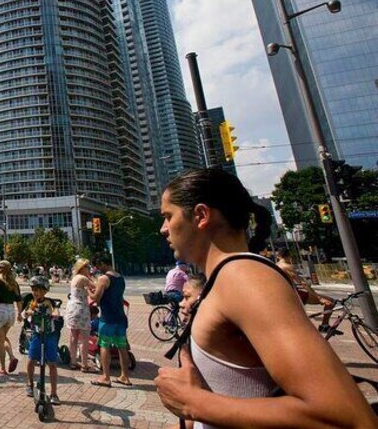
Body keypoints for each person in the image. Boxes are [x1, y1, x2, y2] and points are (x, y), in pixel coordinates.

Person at [154, 168, 376, 427]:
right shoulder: (227, 278)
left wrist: (194, 403)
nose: (163, 229)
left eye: (168, 216)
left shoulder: (244, 277)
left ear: (201, 215)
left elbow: (345, 417)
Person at [90, 259, 132, 388]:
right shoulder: (120, 278)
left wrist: (88, 290)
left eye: (98, 265)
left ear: (103, 264)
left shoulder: (104, 279)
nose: (97, 268)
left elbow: (95, 298)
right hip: (120, 316)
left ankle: (105, 377)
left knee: (104, 345)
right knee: (122, 347)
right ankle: (125, 376)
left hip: (107, 318)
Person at [275, 248, 336, 332]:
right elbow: (303, 284)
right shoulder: (287, 266)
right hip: (294, 294)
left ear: (278, 256)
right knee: (330, 301)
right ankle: (324, 325)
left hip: (281, 294)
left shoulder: (275, 266)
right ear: (289, 256)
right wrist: (319, 297)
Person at [22, 275, 60, 405]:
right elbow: (26, 312)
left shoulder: (49, 302)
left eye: (38, 289)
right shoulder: (31, 303)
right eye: (33, 289)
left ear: (45, 290)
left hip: (50, 335)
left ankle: (54, 393)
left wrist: (54, 314)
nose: (35, 292)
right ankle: (30, 383)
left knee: (52, 363)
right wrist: (29, 313)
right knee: (31, 359)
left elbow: (55, 311)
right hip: (37, 335)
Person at [65, 258, 98, 373]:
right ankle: (84, 365)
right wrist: (92, 277)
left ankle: (73, 362)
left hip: (72, 309)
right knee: (84, 338)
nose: (89, 269)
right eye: (87, 267)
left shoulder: (75, 278)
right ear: (82, 268)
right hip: (82, 309)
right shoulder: (83, 278)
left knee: (73, 337)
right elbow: (96, 287)